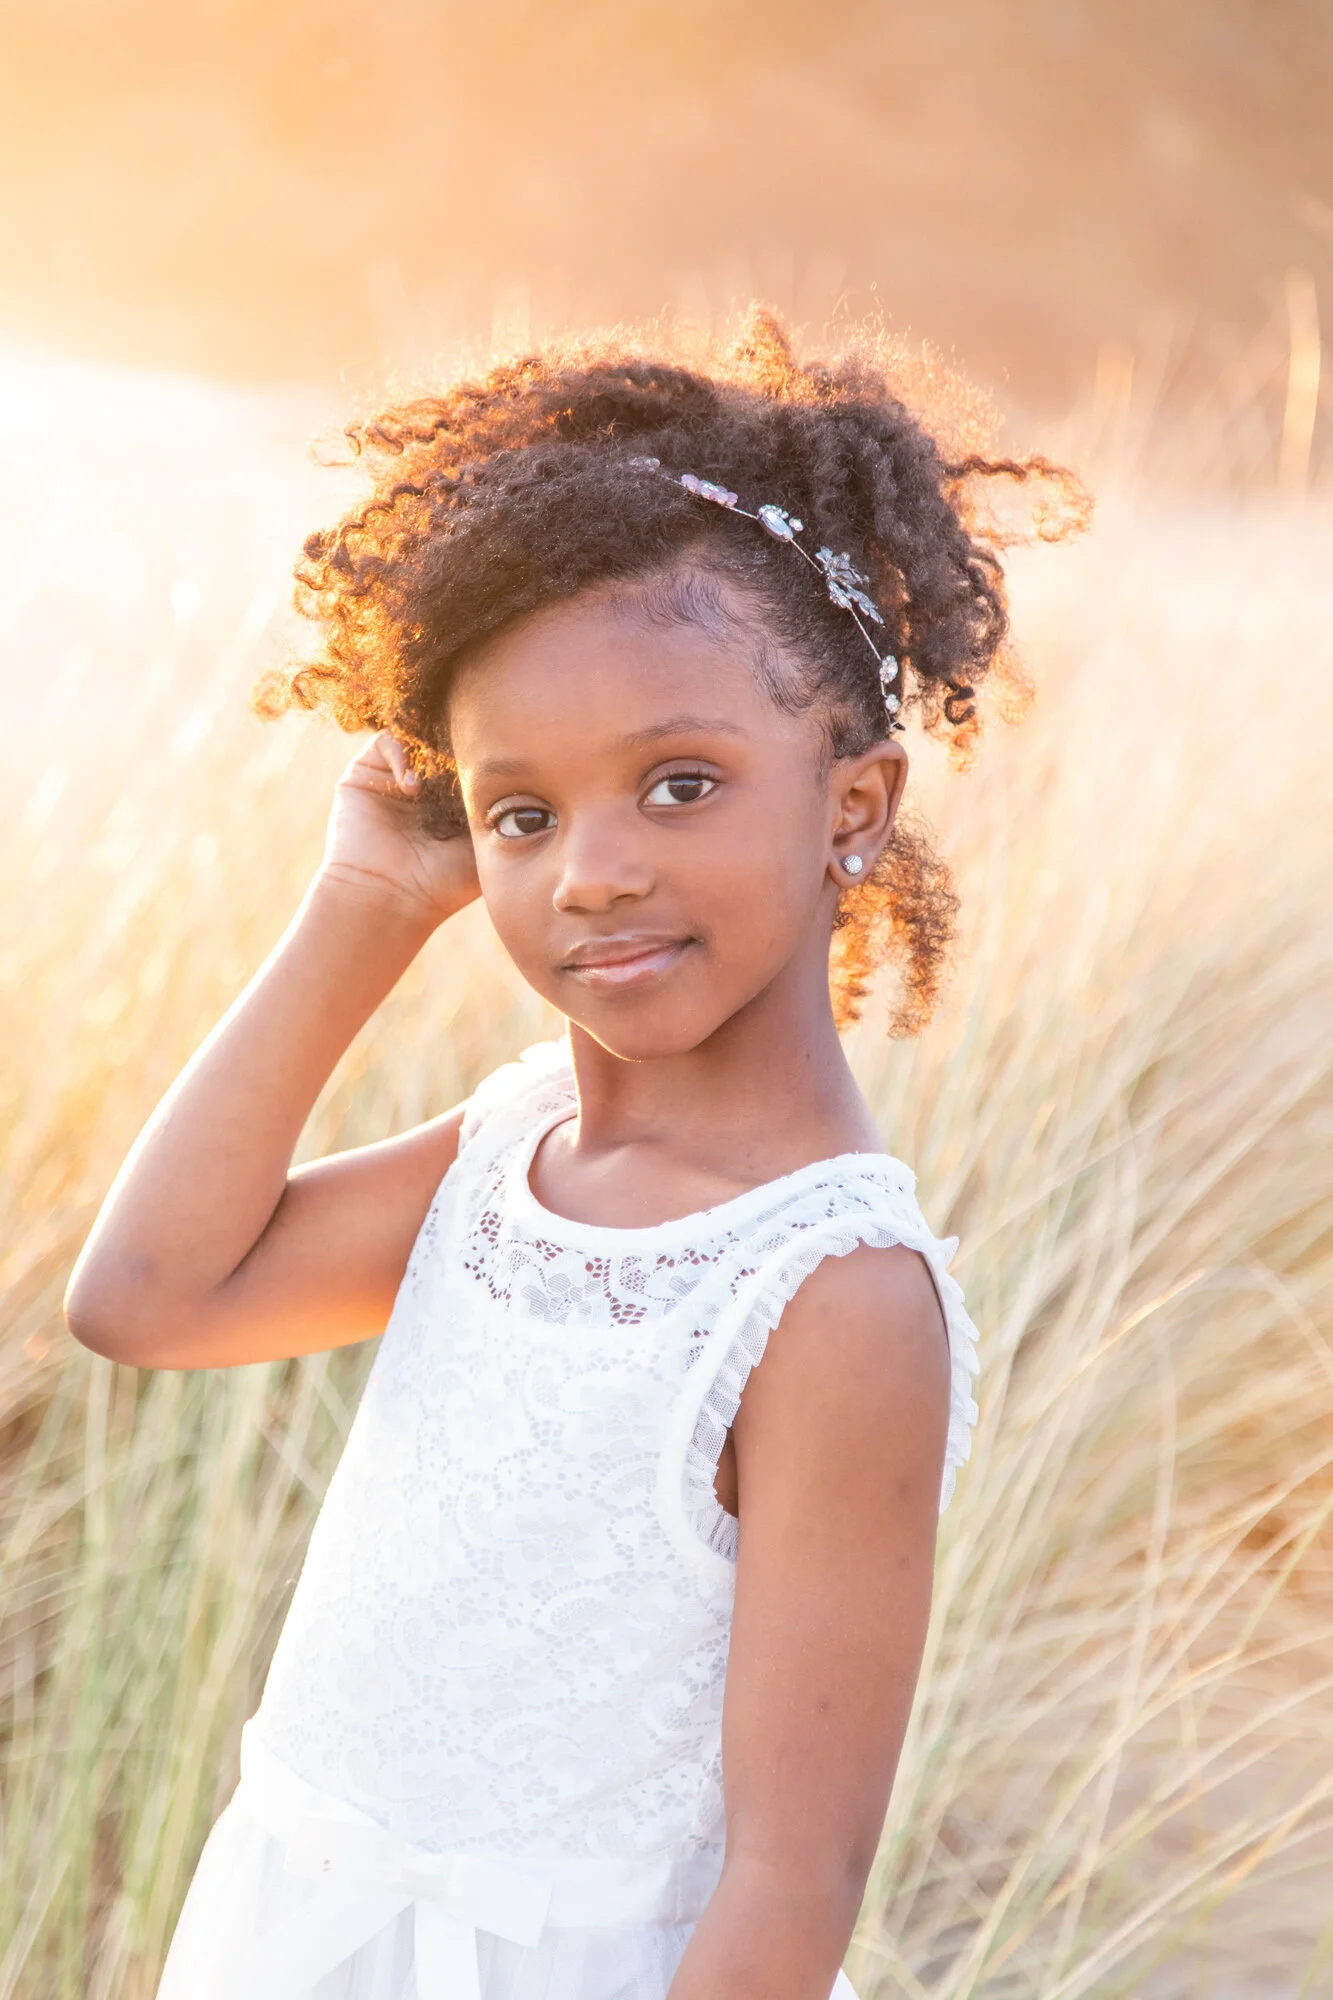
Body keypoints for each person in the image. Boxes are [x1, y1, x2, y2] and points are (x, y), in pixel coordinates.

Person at [67, 310, 1064, 2000]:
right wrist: (365, 907)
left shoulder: (827, 1296)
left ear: (853, 805)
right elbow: (145, 1299)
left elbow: (791, 1880)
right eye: (520, 812)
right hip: (290, 1931)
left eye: (678, 784)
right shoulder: (511, 1148)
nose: (589, 872)